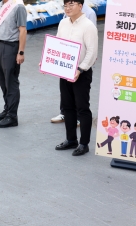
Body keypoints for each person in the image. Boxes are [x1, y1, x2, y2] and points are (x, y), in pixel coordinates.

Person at [54, 0, 98, 156]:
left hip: (81, 73)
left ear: (80, 6)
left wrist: (80, 69)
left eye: (71, 5)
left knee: (82, 108)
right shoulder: (63, 23)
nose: (67, 8)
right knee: (67, 107)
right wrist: (48, 61)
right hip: (65, 71)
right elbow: (57, 45)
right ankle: (71, 139)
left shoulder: (88, 26)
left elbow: (92, 52)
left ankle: (84, 143)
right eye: (65, 5)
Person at [0, 0, 27, 128]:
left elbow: (22, 30)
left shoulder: (18, 6)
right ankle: (7, 109)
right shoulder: (0, 4)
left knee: (11, 81)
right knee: (2, 81)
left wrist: (21, 52)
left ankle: (12, 116)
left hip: (11, 46)